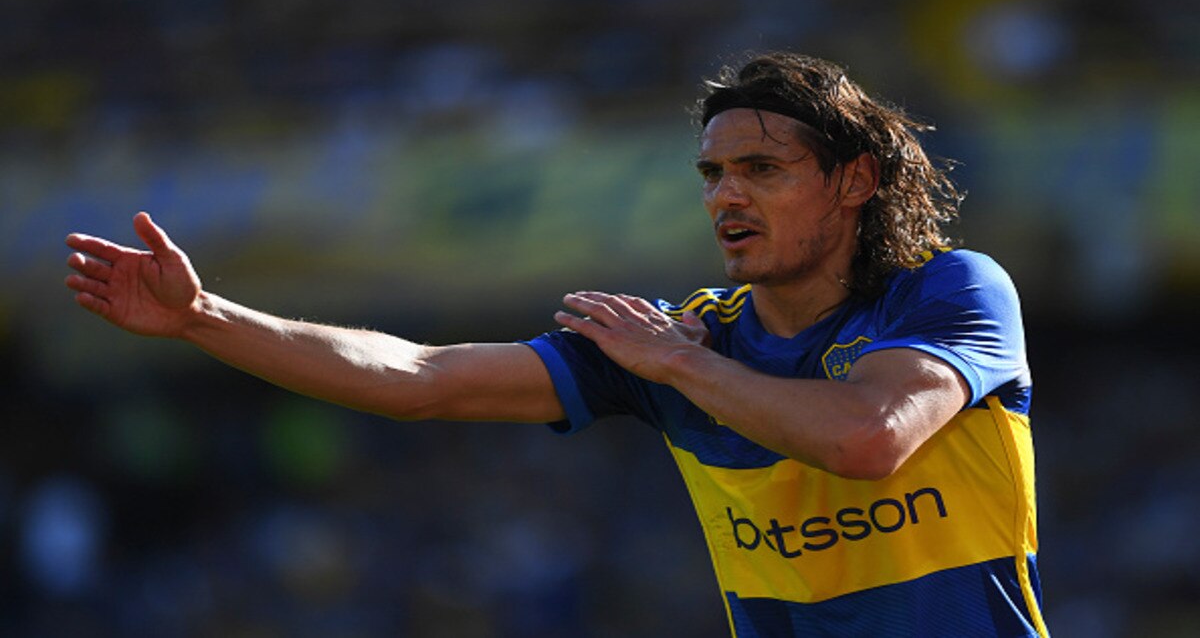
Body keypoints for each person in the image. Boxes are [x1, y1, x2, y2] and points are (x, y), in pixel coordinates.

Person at [65, 52, 1048, 637]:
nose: (725, 196)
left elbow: (871, 439)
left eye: (761, 168)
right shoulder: (676, 339)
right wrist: (207, 319)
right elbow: (423, 380)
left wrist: (681, 366)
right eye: (711, 173)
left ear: (855, 182)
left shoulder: (947, 292)